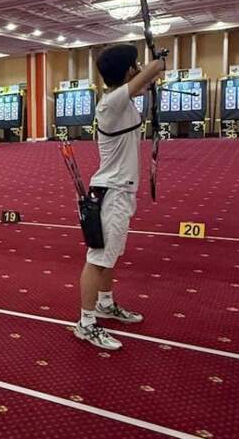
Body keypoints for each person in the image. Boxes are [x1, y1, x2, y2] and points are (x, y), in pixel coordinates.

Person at [74, 44, 163, 351]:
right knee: (97, 259)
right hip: (110, 193)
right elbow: (150, 73)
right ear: (127, 71)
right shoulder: (110, 103)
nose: (138, 69)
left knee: (109, 256)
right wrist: (157, 63)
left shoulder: (122, 99)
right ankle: (86, 323)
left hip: (121, 191)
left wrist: (150, 73)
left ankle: (105, 303)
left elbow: (145, 82)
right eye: (134, 65)